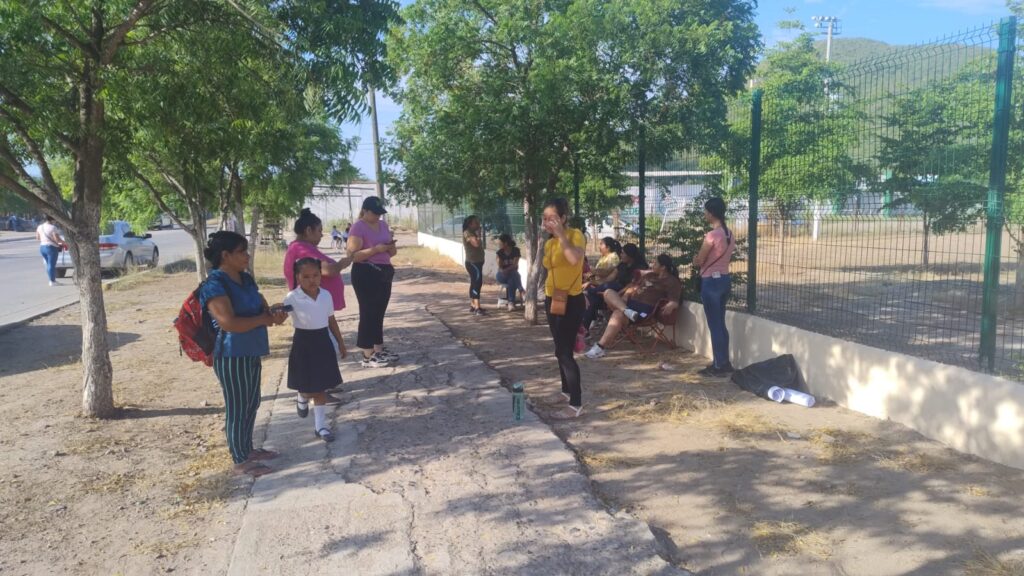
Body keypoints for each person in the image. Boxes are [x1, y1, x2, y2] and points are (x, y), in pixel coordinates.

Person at [200, 231, 288, 477]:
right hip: (230, 354)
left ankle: (247, 450)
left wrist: (274, 313)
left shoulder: (245, 280)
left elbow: (261, 307)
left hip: (251, 349)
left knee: (252, 402)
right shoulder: (215, 284)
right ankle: (240, 461)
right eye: (242, 252)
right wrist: (264, 318)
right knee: (238, 407)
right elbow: (228, 322)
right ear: (225, 255)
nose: (247, 256)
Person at [284, 257, 347, 443]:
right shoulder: (292, 298)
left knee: (320, 387)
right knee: (308, 387)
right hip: (303, 343)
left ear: (321, 275)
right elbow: (280, 319)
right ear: (297, 277)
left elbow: (331, 320)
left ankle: (321, 426)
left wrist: (340, 342)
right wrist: (274, 312)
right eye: (306, 276)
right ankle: (302, 396)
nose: (312, 280)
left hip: (322, 341)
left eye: (316, 275)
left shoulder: (326, 295)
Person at [284, 209, 352, 365]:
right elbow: (328, 270)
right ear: (309, 230)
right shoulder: (301, 249)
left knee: (328, 347)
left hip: (317, 305)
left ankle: (325, 383)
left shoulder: (303, 247)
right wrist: (343, 262)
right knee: (323, 349)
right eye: (320, 230)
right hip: (310, 307)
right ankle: (321, 385)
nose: (322, 235)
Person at [584, 253, 682, 359]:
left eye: (655, 263)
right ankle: (626, 311)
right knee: (608, 292)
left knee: (617, 314)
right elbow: (633, 287)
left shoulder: (672, 281)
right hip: (629, 305)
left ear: (663, 267)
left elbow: (674, 301)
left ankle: (600, 347)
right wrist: (626, 295)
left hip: (644, 310)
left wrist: (671, 305)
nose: (652, 264)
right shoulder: (650, 275)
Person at [542, 198, 587, 419]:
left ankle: (576, 404)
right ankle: (565, 391)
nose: (547, 222)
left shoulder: (574, 235)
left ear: (563, 218)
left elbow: (573, 258)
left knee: (565, 352)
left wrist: (561, 235)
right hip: (552, 299)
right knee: (559, 349)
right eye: (545, 219)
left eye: (552, 218)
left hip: (571, 300)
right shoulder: (549, 243)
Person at [347, 197, 398, 368]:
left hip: (383, 271)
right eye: (374, 213)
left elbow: (391, 253)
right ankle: (367, 353)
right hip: (365, 272)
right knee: (368, 311)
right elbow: (353, 255)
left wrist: (390, 247)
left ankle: (378, 348)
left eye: (379, 213)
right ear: (365, 211)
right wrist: (376, 249)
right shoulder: (358, 227)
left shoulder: (383, 225)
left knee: (379, 311)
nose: (377, 217)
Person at [692, 197, 736, 376]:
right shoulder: (729, 234)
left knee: (714, 324)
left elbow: (700, 259)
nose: (705, 214)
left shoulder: (712, 235)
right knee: (720, 323)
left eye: (706, 212)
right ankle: (723, 362)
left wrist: (695, 260)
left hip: (710, 282)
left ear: (711, 213)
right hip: (724, 279)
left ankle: (719, 366)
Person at [581, 241, 643, 336]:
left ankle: (585, 329)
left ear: (630, 255)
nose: (620, 255)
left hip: (626, 295)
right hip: (611, 292)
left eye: (623, 253)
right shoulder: (621, 265)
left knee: (601, 290)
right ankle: (584, 330)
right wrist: (590, 282)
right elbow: (608, 279)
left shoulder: (639, 268)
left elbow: (633, 285)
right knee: (591, 298)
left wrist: (619, 293)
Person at [462, 215, 487, 315]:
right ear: (470, 224)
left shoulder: (472, 232)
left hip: (477, 262)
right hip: (473, 263)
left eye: (478, 222)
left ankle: (473, 305)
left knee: (474, 283)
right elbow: (476, 244)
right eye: (476, 223)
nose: (478, 225)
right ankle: (477, 308)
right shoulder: (468, 232)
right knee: (477, 283)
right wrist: (479, 235)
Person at [495, 233, 524, 311]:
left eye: (500, 243)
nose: (499, 245)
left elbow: (515, 265)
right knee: (514, 274)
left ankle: (511, 303)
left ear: (506, 243)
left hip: (511, 275)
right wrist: (504, 270)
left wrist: (507, 270)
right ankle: (521, 290)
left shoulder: (516, 250)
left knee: (512, 279)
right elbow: (500, 268)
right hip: (501, 275)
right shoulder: (499, 253)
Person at [36, 215, 65, 286]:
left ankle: (52, 280)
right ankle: (52, 281)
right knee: (51, 265)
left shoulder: (40, 227)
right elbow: (57, 239)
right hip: (51, 248)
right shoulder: (53, 227)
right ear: (52, 220)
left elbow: (37, 238)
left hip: (42, 247)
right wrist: (64, 243)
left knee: (48, 264)